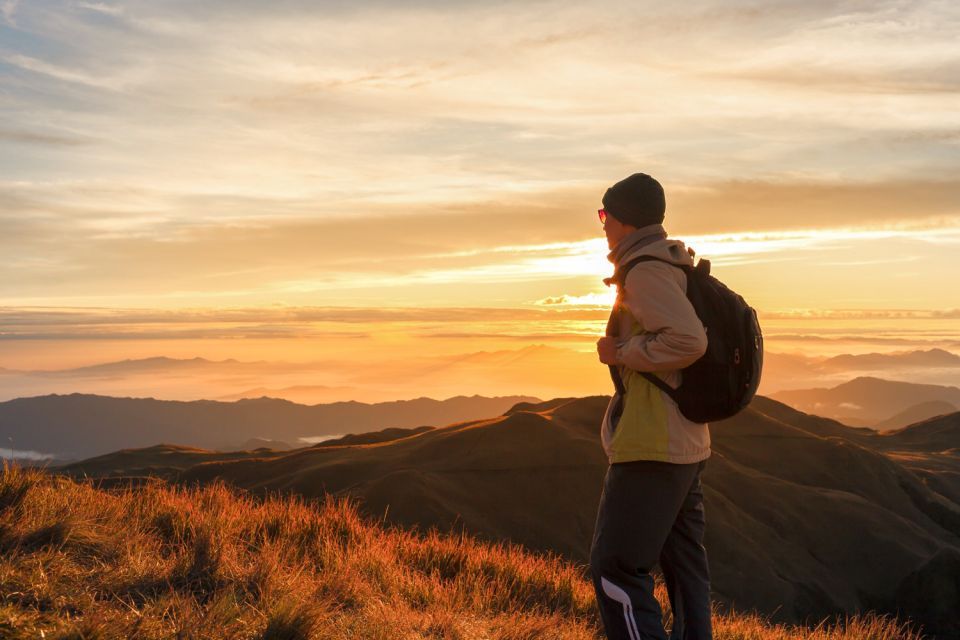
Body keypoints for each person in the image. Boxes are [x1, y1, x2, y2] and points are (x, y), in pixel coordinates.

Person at [591, 172, 713, 640]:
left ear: (625, 220)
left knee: (615, 570)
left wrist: (620, 353)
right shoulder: (670, 262)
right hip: (684, 442)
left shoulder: (644, 271)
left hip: (652, 447)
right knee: (685, 573)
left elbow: (689, 341)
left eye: (606, 215)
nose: (602, 224)